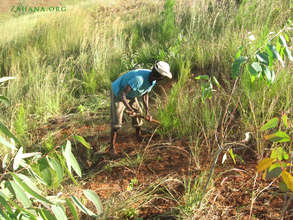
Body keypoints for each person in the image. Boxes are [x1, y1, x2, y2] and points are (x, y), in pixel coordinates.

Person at [110, 61, 172, 154]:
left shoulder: (152, 80)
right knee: (117, 122)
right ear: (158, 75)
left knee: (138, 112)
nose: (163, 79)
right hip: (118, 94)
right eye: (163, 77)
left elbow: (145, 94)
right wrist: (130, 109)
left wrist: (147, 112)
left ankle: (138, 136)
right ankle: (112, 146)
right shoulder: (139, 79)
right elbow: (123, 94)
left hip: (130, 95)